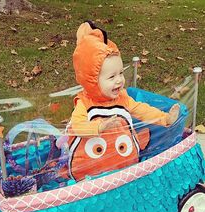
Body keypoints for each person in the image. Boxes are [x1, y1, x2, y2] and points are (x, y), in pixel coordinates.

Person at [66, 21, 180, 181]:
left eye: (121, 73)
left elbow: (141, 109)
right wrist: (100, 126)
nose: (119, 80)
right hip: (91, 174)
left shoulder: (122, 98)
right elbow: (77, 127)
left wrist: (165, 118)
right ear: (92, 81)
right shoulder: (85, 103)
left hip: (124, 167)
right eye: (112, 77)